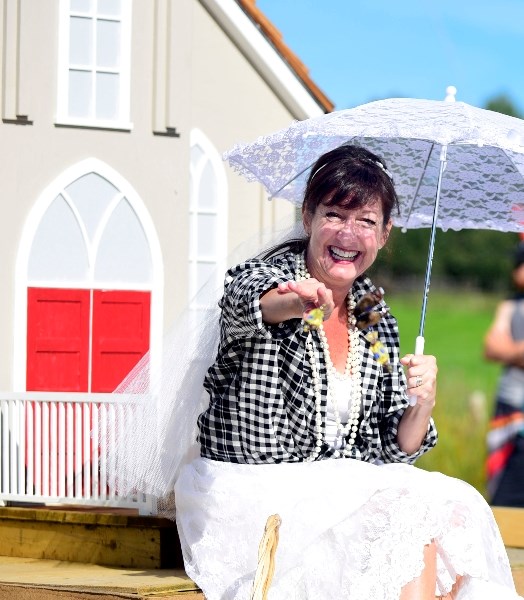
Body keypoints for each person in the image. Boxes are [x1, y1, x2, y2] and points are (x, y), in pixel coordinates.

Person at [170, 145, 523, 600]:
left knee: (456, 509)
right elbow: (249, 303)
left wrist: (423, 402)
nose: (349, 233)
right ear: (308, 217)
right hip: (255, 490)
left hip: (337, 488)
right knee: (407, 514)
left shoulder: (375, 316)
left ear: (385, 232)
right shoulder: (267, 277)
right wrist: (296, 301)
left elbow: (393, 448)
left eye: (366, 221)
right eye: (335, 214)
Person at [484, 240, 524, 507]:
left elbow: (501, 347)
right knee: (505, 490)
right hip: (512, 410)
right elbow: (491, 346)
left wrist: (509, 350)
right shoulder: (510, 306)